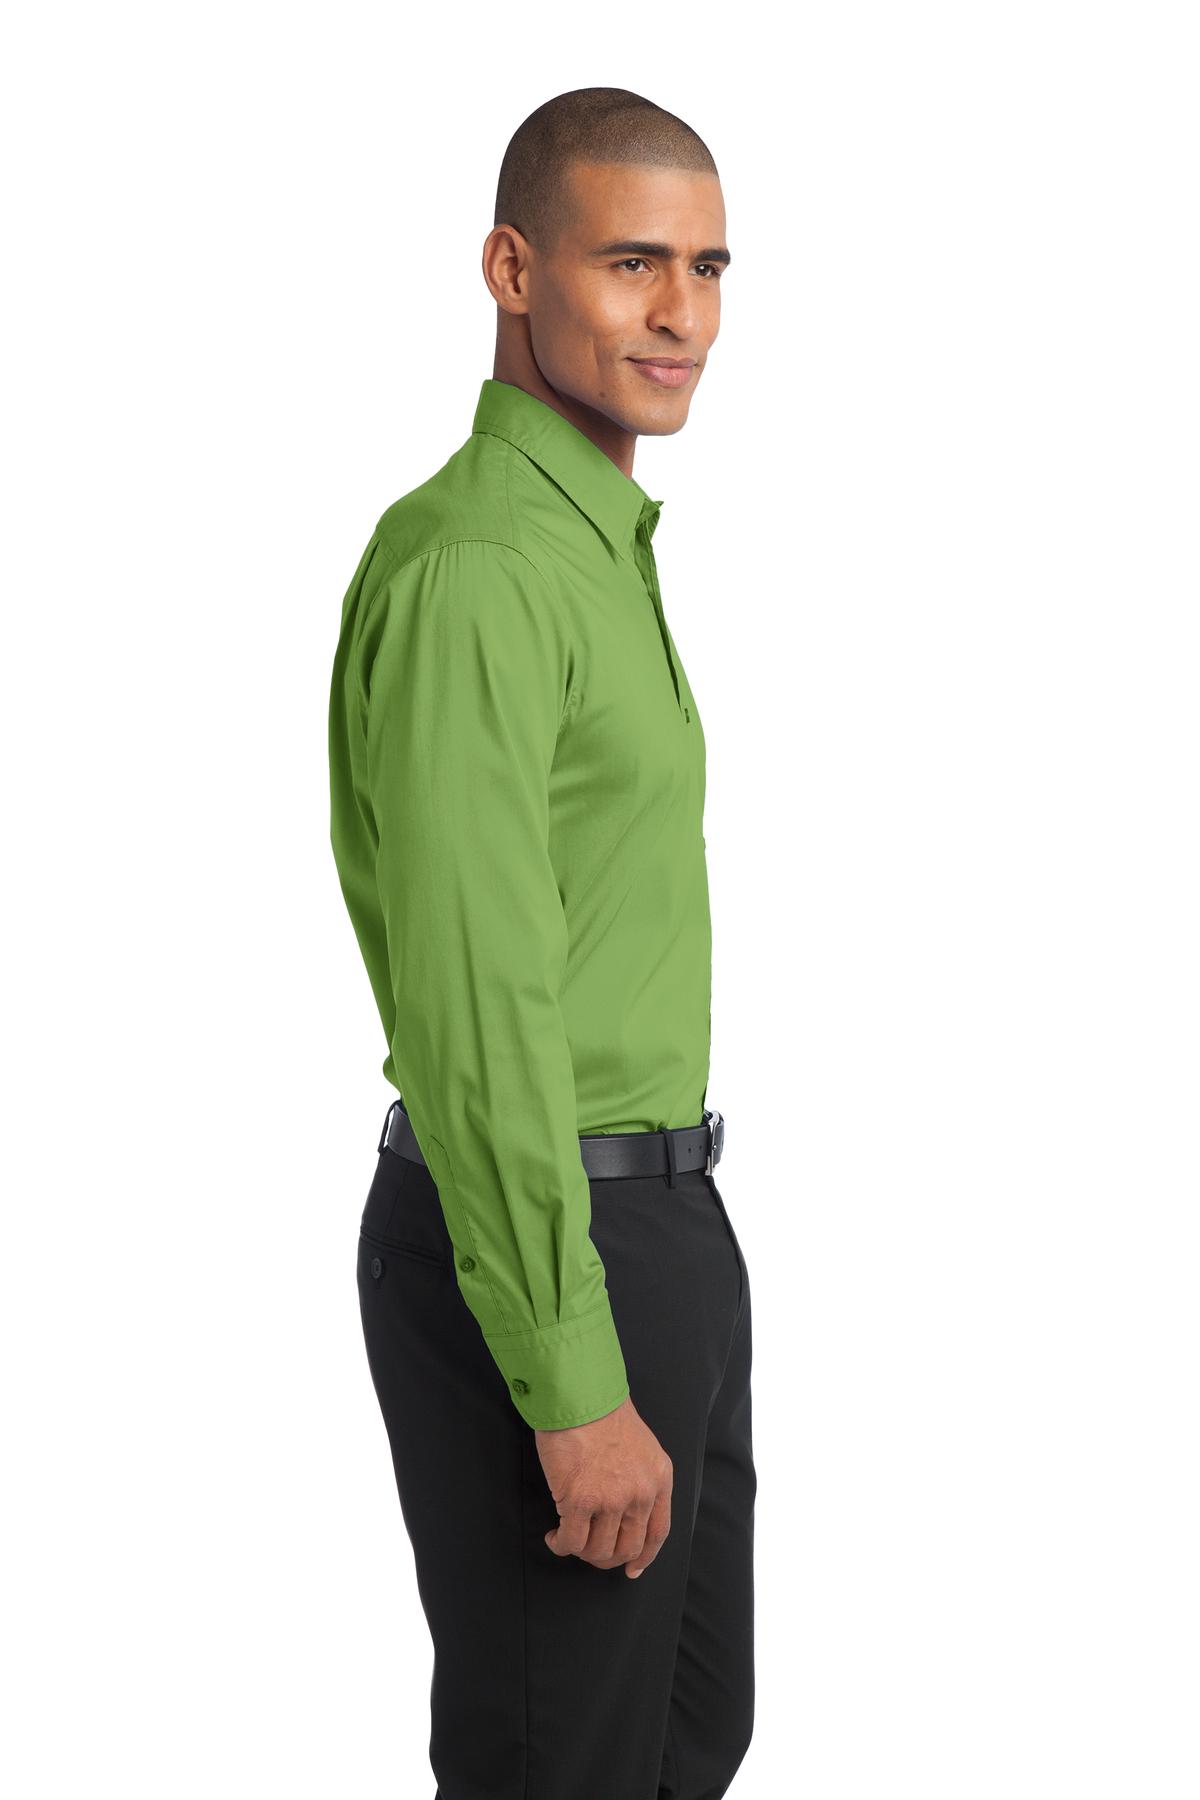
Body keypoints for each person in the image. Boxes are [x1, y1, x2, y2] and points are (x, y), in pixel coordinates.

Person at [328, 86, 755, 1799]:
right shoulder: (483, 569)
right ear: (513, 270)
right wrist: (574, 1381)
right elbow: (479, 1001)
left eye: (708, 268)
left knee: (684, 1740)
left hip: (659, 1221)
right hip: (538, 1236)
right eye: (631, 262)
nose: (681, 313)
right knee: (558, 1769)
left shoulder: (598, 549)